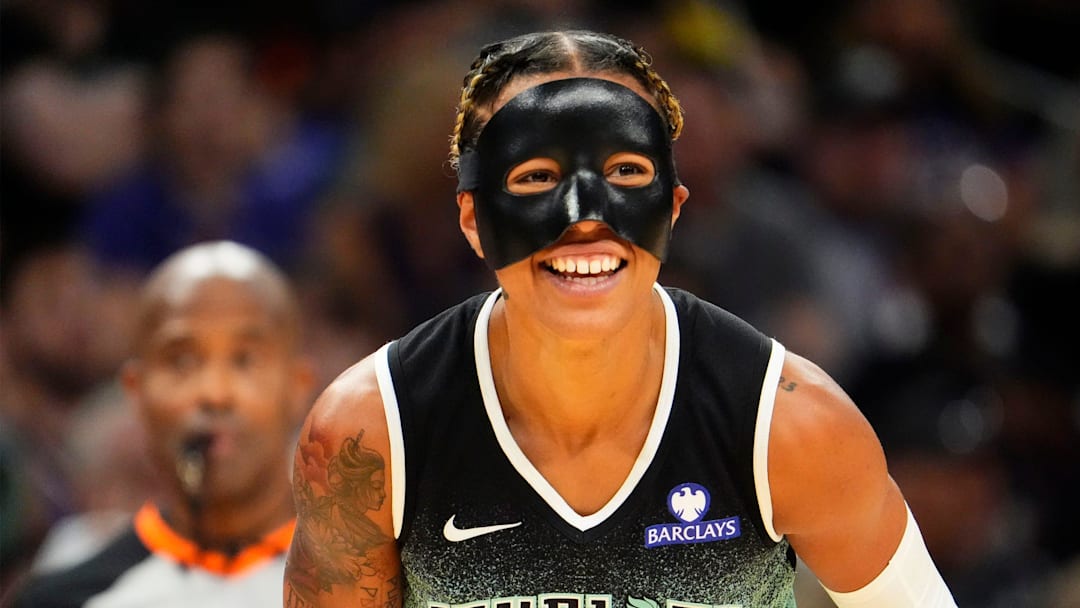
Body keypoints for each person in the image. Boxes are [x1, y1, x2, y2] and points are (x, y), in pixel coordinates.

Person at [284, 30, 957, 608]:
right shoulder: (368, 435)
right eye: (536, 177)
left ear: (673, 208)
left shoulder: (790, 425)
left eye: (624, 170)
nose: (585, 218)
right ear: (473, 219)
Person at [12, 240, 316, 608]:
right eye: (182, 361)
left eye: (245, 360)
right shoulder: (64, 600)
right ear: (136, 393)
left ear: (298, 387)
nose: (215, 393)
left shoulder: (384, 582)